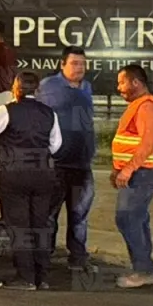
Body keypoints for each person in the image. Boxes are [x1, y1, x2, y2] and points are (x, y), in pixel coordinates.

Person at [0, 70, 62, 290]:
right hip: (43, 174)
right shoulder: (49, 113)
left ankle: (26, 278)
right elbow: (56, 145)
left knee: (20, 227)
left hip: (15, 174)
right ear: (37, 90)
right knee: (40, 225)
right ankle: (43, 277)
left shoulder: (6, 110)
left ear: (16, 88)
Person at [35, 46, 97, 271]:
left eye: (82, 63)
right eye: (74, 63)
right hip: (56, 164)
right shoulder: (47, 87)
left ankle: (78, 257)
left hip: (82, 163)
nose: (80, 68)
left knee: (79, 214)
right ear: (62, 65)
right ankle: (44, 257)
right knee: (50, 214)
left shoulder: (87, 88)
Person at [111, 64, 153, 289]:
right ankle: (145, 266)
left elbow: (147, 143)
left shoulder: (146, 107)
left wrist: (128, 169)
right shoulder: (139, 105)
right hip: (138, 172)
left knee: (127, 217)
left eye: (122, 82)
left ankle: (143, 270)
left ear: (135, 82)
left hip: (142, 173)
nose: (119, 88)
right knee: (136, 217)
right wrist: (119, 168)